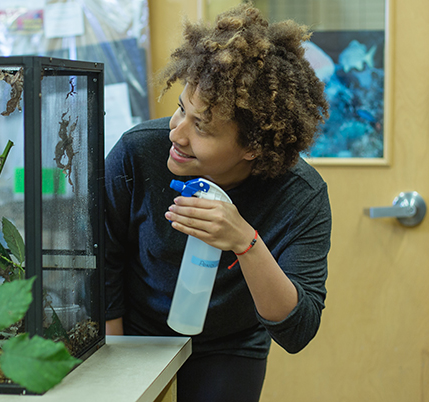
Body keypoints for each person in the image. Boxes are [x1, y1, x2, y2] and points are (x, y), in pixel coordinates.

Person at [104, 4, 331, 402]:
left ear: (253, 148)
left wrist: (244, 240)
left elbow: (298, 331)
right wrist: (117, 367)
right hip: (134, 330)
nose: (177, 133)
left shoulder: (299, 195)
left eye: (202, 126)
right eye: (181, 109)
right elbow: (101, 261)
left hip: (230, 342)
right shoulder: (137, 155)